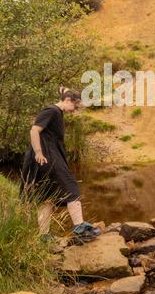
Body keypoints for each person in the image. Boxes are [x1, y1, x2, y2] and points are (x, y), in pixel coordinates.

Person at [21, 86, 101, 242]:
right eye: (75, 106)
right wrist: (38, 152)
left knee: (46, 197)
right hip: (47, 158)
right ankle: (80, 228)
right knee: (72, 189)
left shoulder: (58, 110)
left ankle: (44, 235)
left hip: (46, 158)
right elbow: (34, 130)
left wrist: (64, 88)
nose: (74, 111)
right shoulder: (51, 111)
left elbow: (65, 92)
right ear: (67, 100)